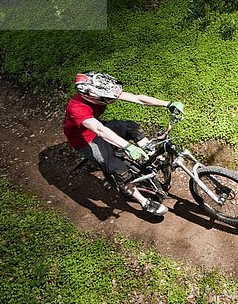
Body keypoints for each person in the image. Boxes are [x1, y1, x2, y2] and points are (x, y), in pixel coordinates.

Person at [63, 72, 182, 216]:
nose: (111, 99)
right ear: (93, 97)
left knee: (131, 127)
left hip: (100, 128)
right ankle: (144, 202)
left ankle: (150, 155)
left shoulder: (102, 91)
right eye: (107, 99)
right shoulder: (76, 108)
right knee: (119, 170)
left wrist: (167, 104)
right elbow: (100, 130)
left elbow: (137, 98)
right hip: (86, 140)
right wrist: (128, 146)